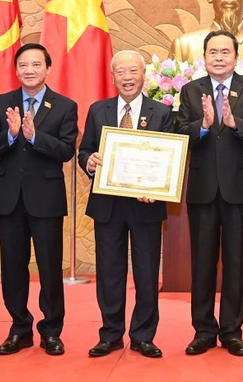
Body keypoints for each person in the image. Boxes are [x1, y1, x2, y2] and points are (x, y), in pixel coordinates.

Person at [176, 29, 243, 357]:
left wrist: (234, 124)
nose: (219, 58)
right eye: (213, 52)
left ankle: (232, 330)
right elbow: (180, 133)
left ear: (236, 56)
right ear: (204, 57)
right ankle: (203, 331)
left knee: (235, 262)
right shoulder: (191, 90)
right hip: (202, 190)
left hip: (240, 189)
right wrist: (202, 126)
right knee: (202, 263)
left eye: (225, 52)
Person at [0, 43, 78, 356]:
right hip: (9, 198)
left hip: (46, 198)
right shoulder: (1, 103)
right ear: (16, 69)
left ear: (48, 68)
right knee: (12, 267)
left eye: (36, 64)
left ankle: (51, 330)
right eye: (23, 65)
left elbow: (66, 151)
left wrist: (35, 136)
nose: (29, 70)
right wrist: (10, 135)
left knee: (50, 267)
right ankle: (19, 328)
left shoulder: (64, 106)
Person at [78, 50, 174, 359]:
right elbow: (85, 151)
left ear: (144, 75)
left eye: (133, 71)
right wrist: (89, 162)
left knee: (146, 272)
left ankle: (143, 335)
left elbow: (168, 158)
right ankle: (110, 334)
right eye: (121, 72)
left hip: (145, 204)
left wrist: (157, 189)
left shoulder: (161, 112)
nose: (127, 77)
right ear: (113, 77)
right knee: (110, 272)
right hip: (107, 204)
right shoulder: (98, 110)